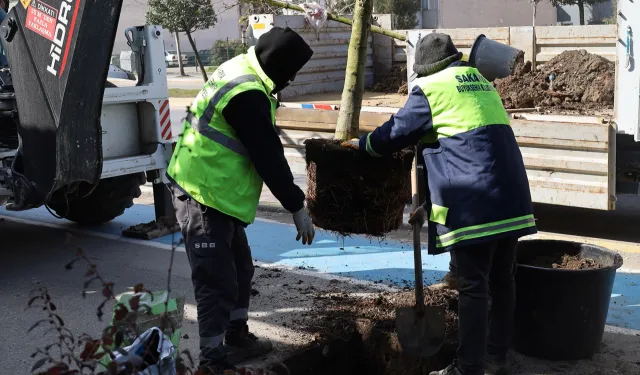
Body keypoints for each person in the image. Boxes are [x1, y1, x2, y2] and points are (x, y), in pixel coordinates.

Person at [350, 33, 537, 375]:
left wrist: (362, 146)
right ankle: (496, 359)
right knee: (502, 280)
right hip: (512, 198)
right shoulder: (478, 81)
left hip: (476, 203)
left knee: (473, 284)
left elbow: (395, 133)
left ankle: (468, 368)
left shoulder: (432, 88)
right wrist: (428, 206)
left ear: (425, 69)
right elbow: (460, 146)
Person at [166, 27, 316, 374]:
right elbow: (267, 155)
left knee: (241, 270)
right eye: (292, 72)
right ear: (279, 67)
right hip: (202, 191)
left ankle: (236, 335)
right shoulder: (247, 93)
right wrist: (296, 206)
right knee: (216, 280)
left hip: (220, 193)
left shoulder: (245, 69)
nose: (292, 80)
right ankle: (212, 360)